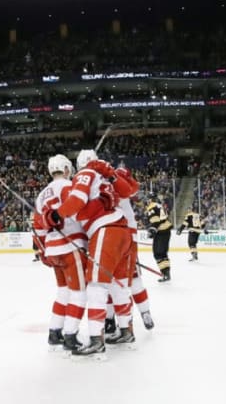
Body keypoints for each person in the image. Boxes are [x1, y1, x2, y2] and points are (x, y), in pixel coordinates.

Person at [42, 149, 135, 357]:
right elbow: (129, 191)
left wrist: (56, 215)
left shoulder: (86, 174)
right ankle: (126, 331)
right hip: (123, 231)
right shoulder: (105, 177)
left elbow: (76, 201)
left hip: (105, 230)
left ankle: (96, 340)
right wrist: (111, 174)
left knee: (95, 286)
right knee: (116, 284)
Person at [34, 154, 88, 352]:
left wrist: (43, 251)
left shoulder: (41, 194)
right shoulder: (67, 186)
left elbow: (38, 227)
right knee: (79, 293)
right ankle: (71, 335)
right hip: (70, 246)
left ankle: (54, 331)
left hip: (53, 249)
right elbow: (77, 212)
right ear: (66, 169)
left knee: (63, 291)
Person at [105, 166, 154, 338]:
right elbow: (133, 187)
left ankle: (112, 321)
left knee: (110, 283)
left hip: (111, 237)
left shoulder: (103, 184)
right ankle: (144, 312)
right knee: (133, 280)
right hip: (129, 238)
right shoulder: (122, 185)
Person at [145, 192, 173, 282]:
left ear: (150, 199)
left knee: (158, 254)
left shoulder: (151, 206)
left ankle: (165, 273)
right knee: (163, 253)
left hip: (161, 231)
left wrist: (152, 230)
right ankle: (166, 273)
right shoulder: (159, 205)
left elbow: (156, 221)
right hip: (166, 230)